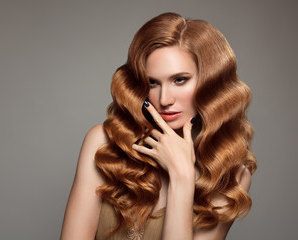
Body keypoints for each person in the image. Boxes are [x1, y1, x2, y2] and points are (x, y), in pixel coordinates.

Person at [60, 12, 257, 240]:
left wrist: (181, 177)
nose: (164, 99)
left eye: (179, 80)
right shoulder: (105, 144)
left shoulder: (230, 175)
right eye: (153, 82)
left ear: (210, 81)